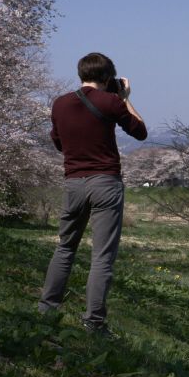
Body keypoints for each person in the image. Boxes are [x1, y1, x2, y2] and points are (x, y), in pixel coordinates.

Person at [38, 52, 148, 337]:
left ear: (81, 74)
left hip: (73, 183)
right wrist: (124, 97)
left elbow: (59, 144)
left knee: (65, 247)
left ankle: (46, 309)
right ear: (108, 77)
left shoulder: (60, 103)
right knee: (101, 256)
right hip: (105, 183)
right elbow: (140, 132)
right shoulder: (111, 102)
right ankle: (94, 323)